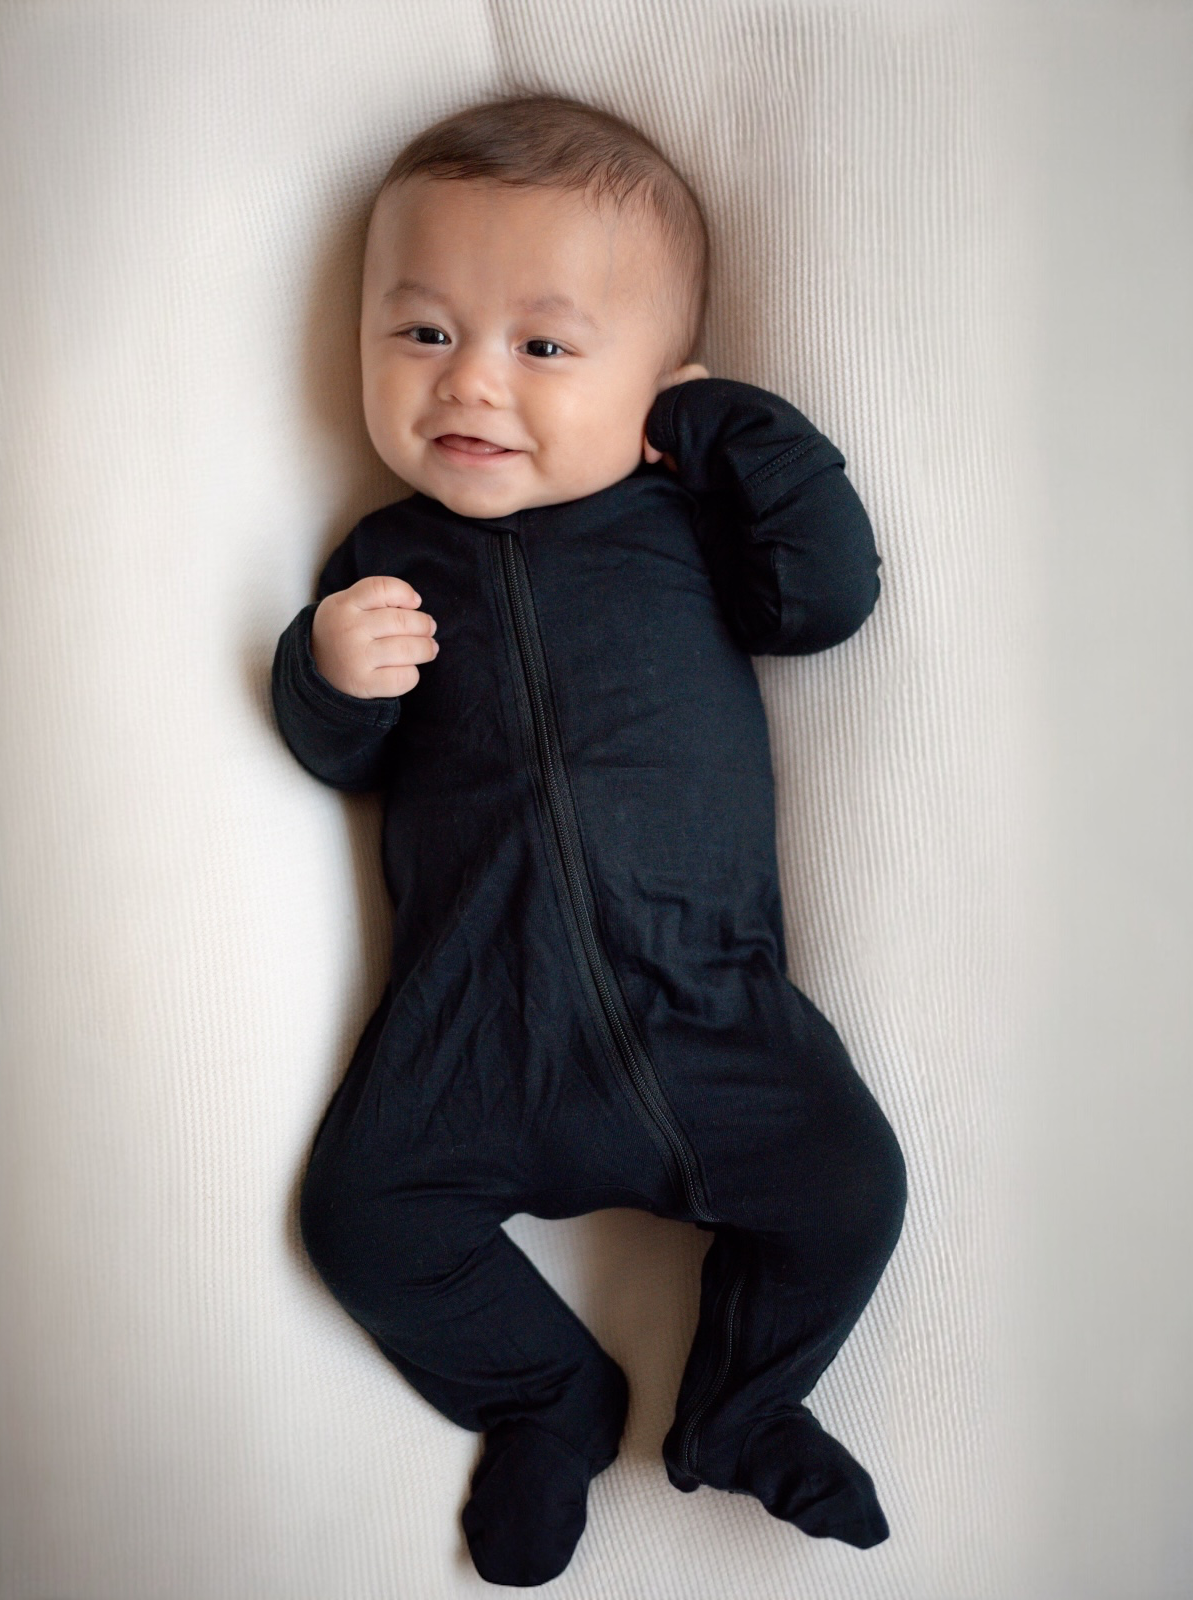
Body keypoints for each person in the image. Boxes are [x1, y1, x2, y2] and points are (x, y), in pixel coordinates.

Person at [271, 92, 907, 1589]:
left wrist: (736, 433)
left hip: (710, 1010)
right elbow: (344, 761)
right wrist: (328, 675)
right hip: (471, 1029)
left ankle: (743, 1410)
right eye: (422, 330)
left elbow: (824, 600)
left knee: (850, 1189)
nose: (471, 380)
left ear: (661, 392)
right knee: (360, 1220)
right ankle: (547, 1397)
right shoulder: (381, 559)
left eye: (545, 347)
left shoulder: (687, 520)